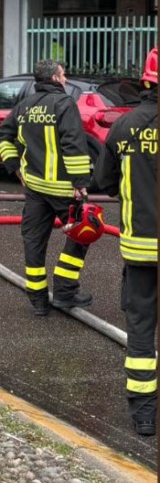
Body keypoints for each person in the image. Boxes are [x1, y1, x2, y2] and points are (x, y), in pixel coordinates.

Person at [0, 59, 95, 315]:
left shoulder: (24, 106)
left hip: (35, 190)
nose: (65, 78)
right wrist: (80, 183)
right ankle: (64, 291)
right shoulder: (64, 104)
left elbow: (1, 136)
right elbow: (73, 145)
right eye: (63, 75)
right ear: (53, 79)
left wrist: (15, 167)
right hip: (63, 191)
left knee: (34, 242)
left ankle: (38, 301)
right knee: (83, 235)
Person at [93, 47, 157, 436]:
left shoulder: (124, 127)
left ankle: (144, 415)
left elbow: (103, 181)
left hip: (140, 247)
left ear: (146, 81)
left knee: (141, 329)